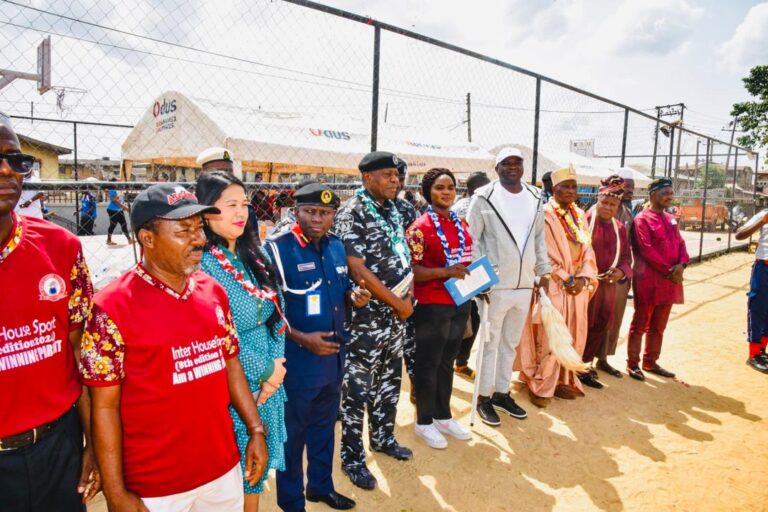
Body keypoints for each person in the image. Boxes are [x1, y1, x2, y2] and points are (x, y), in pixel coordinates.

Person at [81, 184, 269, 511]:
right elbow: (104, 407)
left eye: (199, 228)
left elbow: (231, 364)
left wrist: (255, 429)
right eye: (183, 231)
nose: (199, 239)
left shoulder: (213, 292)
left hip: (221, 470)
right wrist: (116, 492)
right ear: (148, 238)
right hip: (154, 485)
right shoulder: (110, 308)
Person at [0, 112, 100, 511]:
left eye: (16, 160)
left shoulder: (61, 248)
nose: (6, 170)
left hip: (59, 448)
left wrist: (92, 444)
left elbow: (81, 353)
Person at [266, 183, 370, 512]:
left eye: (325, 213)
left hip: (333, 359)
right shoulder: (277, 250)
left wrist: (354, 296)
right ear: (295, 211)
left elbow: (341, 290)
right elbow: (267, 311)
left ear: (333, 215)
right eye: (310, 211)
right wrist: (300, 337)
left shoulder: (337, 246)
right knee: (292, 435)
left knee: (324, 429)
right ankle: (292, 502)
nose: (317, 219)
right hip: (297, 364)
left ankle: (320, 487)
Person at [195, 171, 287, 512]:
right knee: (235, 470)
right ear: (206, 212)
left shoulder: (256, 256)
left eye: (245, 204)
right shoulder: (200, 264)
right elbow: (212, 333)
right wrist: (264, 370)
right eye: (230, 204)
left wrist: (276, 369)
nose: (240, 212)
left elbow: (278, 314)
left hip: (268, 382)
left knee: (255, 475)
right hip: (229, 385)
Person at [333, 151, 414, 490]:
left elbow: (402, 255)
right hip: (366, 318)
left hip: (395, 316)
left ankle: (383, 438)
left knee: (389, 380)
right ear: (367, 178)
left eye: (397, 175)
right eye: (387, 175)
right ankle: (353, 458)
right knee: (357, 389)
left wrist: (406, 300)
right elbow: (357, 268)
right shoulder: (353, 212)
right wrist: (398, 303)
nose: (395, 180)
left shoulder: (394, 209)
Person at [466, 147, 551, 426]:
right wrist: (481, 278)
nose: (512, 167)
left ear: (523, 167)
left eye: (517, 163)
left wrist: (543, 271)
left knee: (510, 343)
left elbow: (538, 238)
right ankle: (483, 397)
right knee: (489, 344)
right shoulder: (483, 197)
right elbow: (472, 239)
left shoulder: (535, 196)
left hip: (524, 283)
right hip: (495, 286)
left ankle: (501, 393)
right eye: (506, 163)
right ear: (497, 168)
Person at [517, 165, 598, 406]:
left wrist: (583, 277)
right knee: (550, 334)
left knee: (573, 334)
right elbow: (540, 255)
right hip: (553, 283)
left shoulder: (579, 215)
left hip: (577, 285)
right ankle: (541, 382)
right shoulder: (543, 215)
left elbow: (588, 250)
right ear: (554, 189)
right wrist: (566, 278)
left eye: (574, 186)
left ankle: (564, 379)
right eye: (565, 187)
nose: (571, 191)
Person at [405, 168, 473, 449]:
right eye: (439, 188)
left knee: (447, 361)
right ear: (427, 192)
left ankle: (443, 416)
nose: (446, 192)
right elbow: (413, 270)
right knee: (428, 362)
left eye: (450, 187)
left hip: (460, 300)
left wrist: (479, 279)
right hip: (432, 304)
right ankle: (423, 422)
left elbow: (465, 260)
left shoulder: (460, 222)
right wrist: (446, 272)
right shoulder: (419, 227)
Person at [626, 177, 689, 381]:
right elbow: (646, 250)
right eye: (665, 193)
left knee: (659, 326)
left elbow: (681, 244)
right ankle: (633, 364)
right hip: (649, 280)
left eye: (671, 193)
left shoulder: (671, 218)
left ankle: (650, 361)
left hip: (670, 281)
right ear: (653, 195)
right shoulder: (642, 220)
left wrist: (682, 264)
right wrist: (670, 270)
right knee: (641, 323)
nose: (669, 197)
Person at [581, 176, 632, 389]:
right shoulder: (584, 222)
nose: (608, 207)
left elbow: (626, 257)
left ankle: (587, 364)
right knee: (581, 324)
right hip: (585, 285)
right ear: (598, 200)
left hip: (608, 285)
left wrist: (621, 272)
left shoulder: (619, 227)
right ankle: (576, 366)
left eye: (613, 204)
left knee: (601, 323)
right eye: (604, 202)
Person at [451, 171, 490, 379]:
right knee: (467, 320)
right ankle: (457, 362)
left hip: (467, 271)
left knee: (469, 319)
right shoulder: (470, 207)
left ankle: (459, 362)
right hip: (466, 272)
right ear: (476, 189)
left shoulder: (464, 205)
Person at [598, 171, 636, 377]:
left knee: (613, 319)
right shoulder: (590, 217)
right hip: (594, 279)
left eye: (629, 188)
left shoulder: (626, 216)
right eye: (624, 187)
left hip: (617, 279)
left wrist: (622, 272)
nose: (628, 191)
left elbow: (628, 251)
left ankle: (603, 359)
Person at [735, 208, 768, 373]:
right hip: (764, 267)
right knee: (758, 307)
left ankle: (762, 350)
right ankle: (754, 354)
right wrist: (762, 222)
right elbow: (739, 234)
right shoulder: (764, 214)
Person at [105, 178, 133, 246]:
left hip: (119, 210)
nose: (118, 183)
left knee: (124, 224)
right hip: (112, 210)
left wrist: (123, 206)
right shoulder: (112, 189)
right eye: (117, 182)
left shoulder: (116, 189)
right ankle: (108, 240)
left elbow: (119, 199)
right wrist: (125, 207)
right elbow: (114, 200)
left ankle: (129, 239)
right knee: (113, 225)